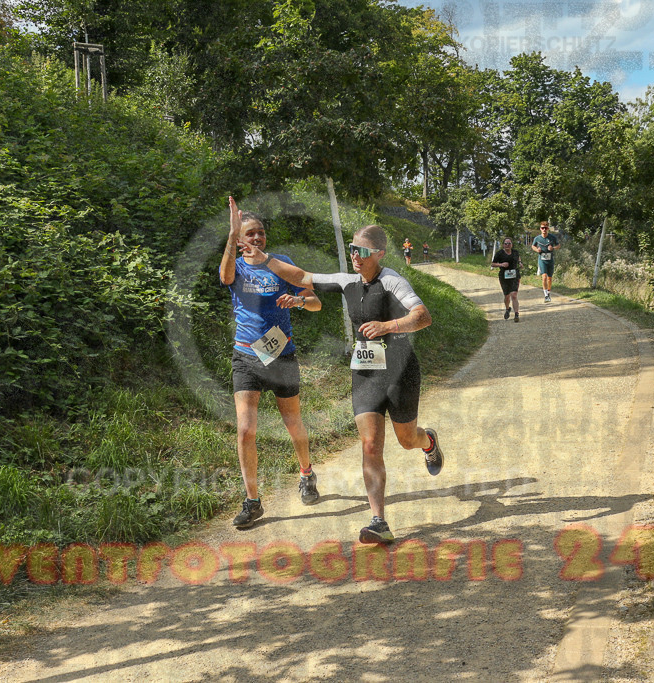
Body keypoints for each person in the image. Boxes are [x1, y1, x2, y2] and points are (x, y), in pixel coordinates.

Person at [240, 224, 444, 545]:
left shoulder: (392, 281)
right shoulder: (346, 280)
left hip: (401, 371)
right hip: (365, 373)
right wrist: (264, 258)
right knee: (370, 444)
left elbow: (423, 316)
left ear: (378, 254)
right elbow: (301, 277)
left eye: (361, 251)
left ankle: (427, 442)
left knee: (407, 439)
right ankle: (379, 520)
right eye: (351, 249)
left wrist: (388, 324)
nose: (354, 256)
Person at [220, 197, 323, 530]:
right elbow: (224, 277)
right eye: (249, 234)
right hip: (246, 357)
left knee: (292, 423)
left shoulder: (281, 263)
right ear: (239, 239)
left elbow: (315, 302)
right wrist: (231, 235)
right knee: (246, 431)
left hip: (281, 354)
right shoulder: (236, 265)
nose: (257, 239)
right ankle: (252, 501)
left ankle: (306, 474)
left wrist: (298, 299)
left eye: (261, 233)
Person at [492, 237, 521, 322]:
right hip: (504, 277)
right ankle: (508, 309)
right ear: (503, 245)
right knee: (507, 296)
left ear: (511, 245)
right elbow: (493, 264)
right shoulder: (499, 253)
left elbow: (518, 258)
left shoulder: (515, 252)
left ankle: (516, 314)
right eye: (505, 243)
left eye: (509, 243)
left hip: (515, 275)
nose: (507, 245)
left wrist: (520, 263)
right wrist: (501, 265)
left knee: (514, 295)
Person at [531, 221, 561, 303]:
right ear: (540, 229)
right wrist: (537, 250)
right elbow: (533, 246)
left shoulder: (552, 237)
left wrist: (553, 248)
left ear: (548, 229)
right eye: (542, 228)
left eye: (546, 228)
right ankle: (546, 295)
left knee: (549, 278)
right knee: (544, 276)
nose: (544, 229)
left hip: (550, 260)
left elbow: (558, 245)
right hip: (542, 259)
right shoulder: (537, 238)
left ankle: (549, 292)